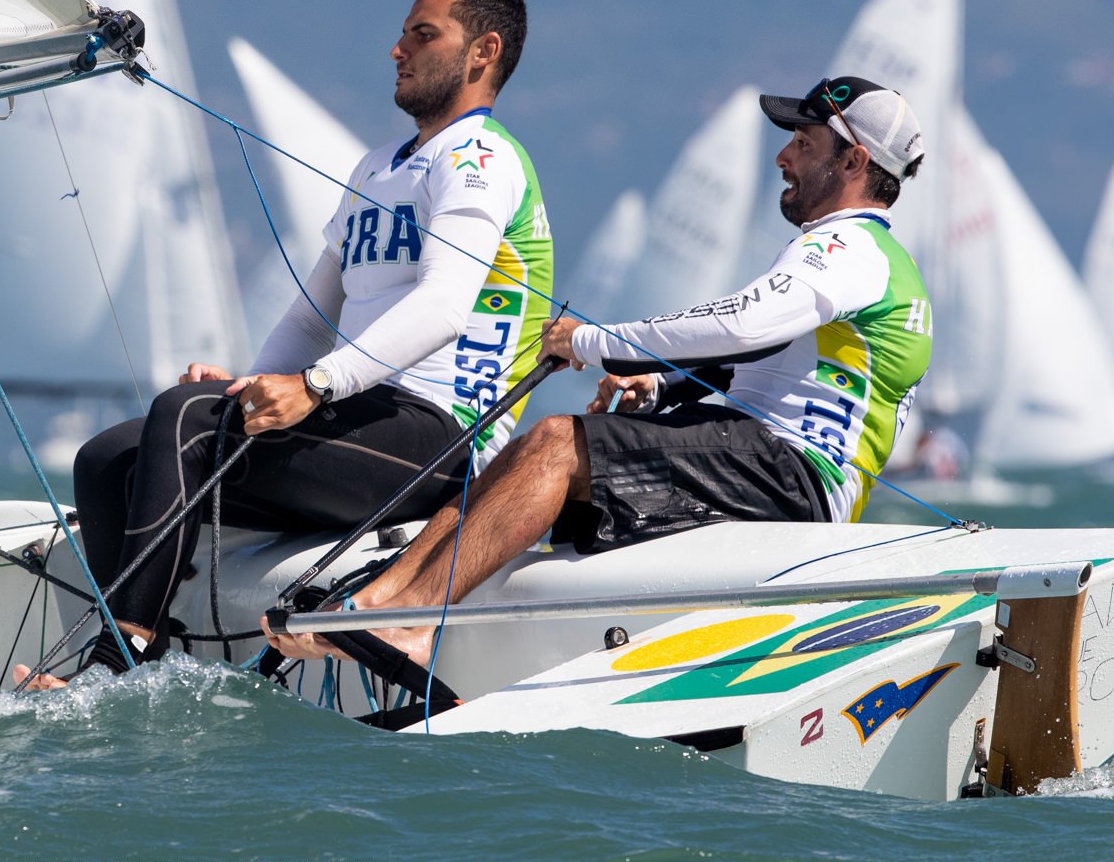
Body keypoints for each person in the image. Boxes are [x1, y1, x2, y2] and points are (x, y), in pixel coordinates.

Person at [269, 75, 931, 671]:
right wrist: (660, 383)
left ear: (854, 161)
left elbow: (742, 324)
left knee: (557, 443)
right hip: (767, 460)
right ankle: (376, 598)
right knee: (521, 461)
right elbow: (768, 359)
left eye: (804, 143)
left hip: (792, 475)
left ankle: (411, 618)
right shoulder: (860, 257)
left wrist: (594, 342)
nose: (784, 156)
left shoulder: (850, 248)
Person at [23, 0, 555, 685]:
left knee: (183, 418)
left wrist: (314, 386)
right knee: (106, 458)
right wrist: (257, 386)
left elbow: (443, 306)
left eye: (423, 35)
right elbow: (311, 315)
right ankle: (150, 663)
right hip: (363, 420)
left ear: (483, 52)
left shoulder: (483, 159)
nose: (397, 50)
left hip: (443, 441)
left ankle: (117, 664)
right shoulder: (377, 168)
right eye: (402, 34)